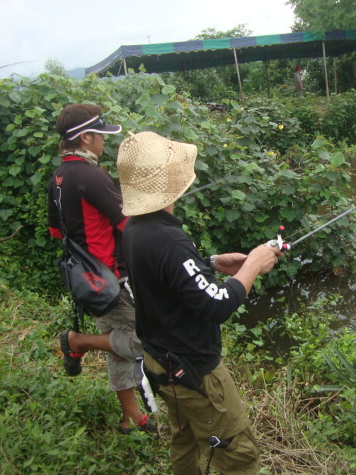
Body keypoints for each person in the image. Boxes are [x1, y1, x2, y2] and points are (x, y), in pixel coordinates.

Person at [117, 131, 283, 475]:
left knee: (186, 440)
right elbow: (217, 304)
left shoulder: (136, 228)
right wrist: (253, 265)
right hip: (192, 372)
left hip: (160, 362)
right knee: (239, 454)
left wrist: (211, 262)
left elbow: (165, 275)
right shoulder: (168, 239)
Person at [47, 103, 156, 435]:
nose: (104, 143)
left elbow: (56, 232)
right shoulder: (92, 176)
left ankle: (131, 417)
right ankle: (77, 342)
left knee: (114, 340)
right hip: (109, 277)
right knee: (146, 339)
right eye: (100, 137)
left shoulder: (59, 176)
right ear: (86, 138)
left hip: (84, 277)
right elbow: (127, 223)